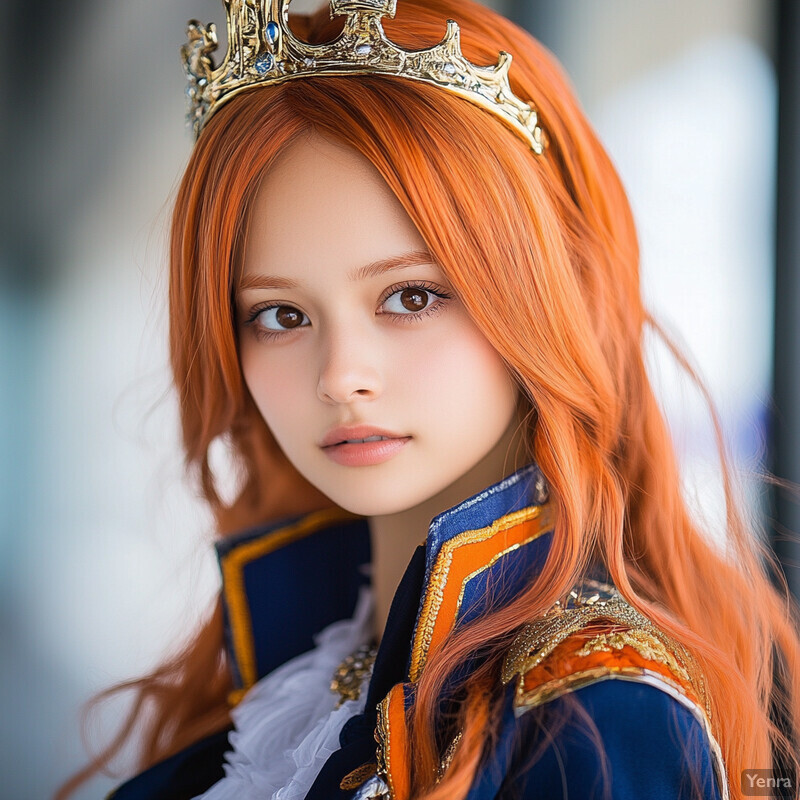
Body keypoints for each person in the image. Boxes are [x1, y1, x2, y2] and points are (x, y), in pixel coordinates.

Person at [57, 0, 800, 798]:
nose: (340, 375)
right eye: (280, 315)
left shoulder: (598, 713)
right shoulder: (293, 658)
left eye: (411, 297)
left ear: (544, 294)